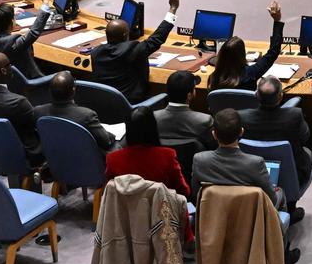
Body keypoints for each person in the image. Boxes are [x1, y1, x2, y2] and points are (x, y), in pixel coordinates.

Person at [103, 104, 194, 242]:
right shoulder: (167, 156)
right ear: (153, 128)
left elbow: (110, 193)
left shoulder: (113, 159)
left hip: (127, 223)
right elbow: (184, 191)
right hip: (163, 223)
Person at [92, 0, 179, 103]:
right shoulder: (134, 50)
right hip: (132, 108)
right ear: (125, 34)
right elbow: (158, 37)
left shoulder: (95, 52)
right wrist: (173, 8)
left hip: (105, 106)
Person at [238, 76, 312, 197]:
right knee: (308, 153)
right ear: (280, 96)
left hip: (253, 172)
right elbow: (305, 137)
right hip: (290, 173)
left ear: (256, 95)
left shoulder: (242, 117)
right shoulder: (294, 115)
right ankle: (291, 206)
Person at [205, 0, 284, 92]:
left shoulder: (213, 78)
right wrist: (277, 21)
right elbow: (273, 52)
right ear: (242, 55)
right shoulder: (250, 74)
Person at [36, 72, 116, 151]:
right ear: (73, 90)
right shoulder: (87, 116)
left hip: (55, 156)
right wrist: (111, 135)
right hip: (85, 158)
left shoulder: (38, 112)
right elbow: (106, 142)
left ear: (49, 91)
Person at [0, 3, 50, 79]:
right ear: (12, 22)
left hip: (3, 80)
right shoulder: (13, 42)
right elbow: (34, 32)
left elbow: (3, 41)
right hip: (28, 81)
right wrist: (45, 3)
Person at [154, 70, 216, 149]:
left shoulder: (153, 118)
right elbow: (213, 148)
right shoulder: (205, 121)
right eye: (194, 88)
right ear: (189, 95)